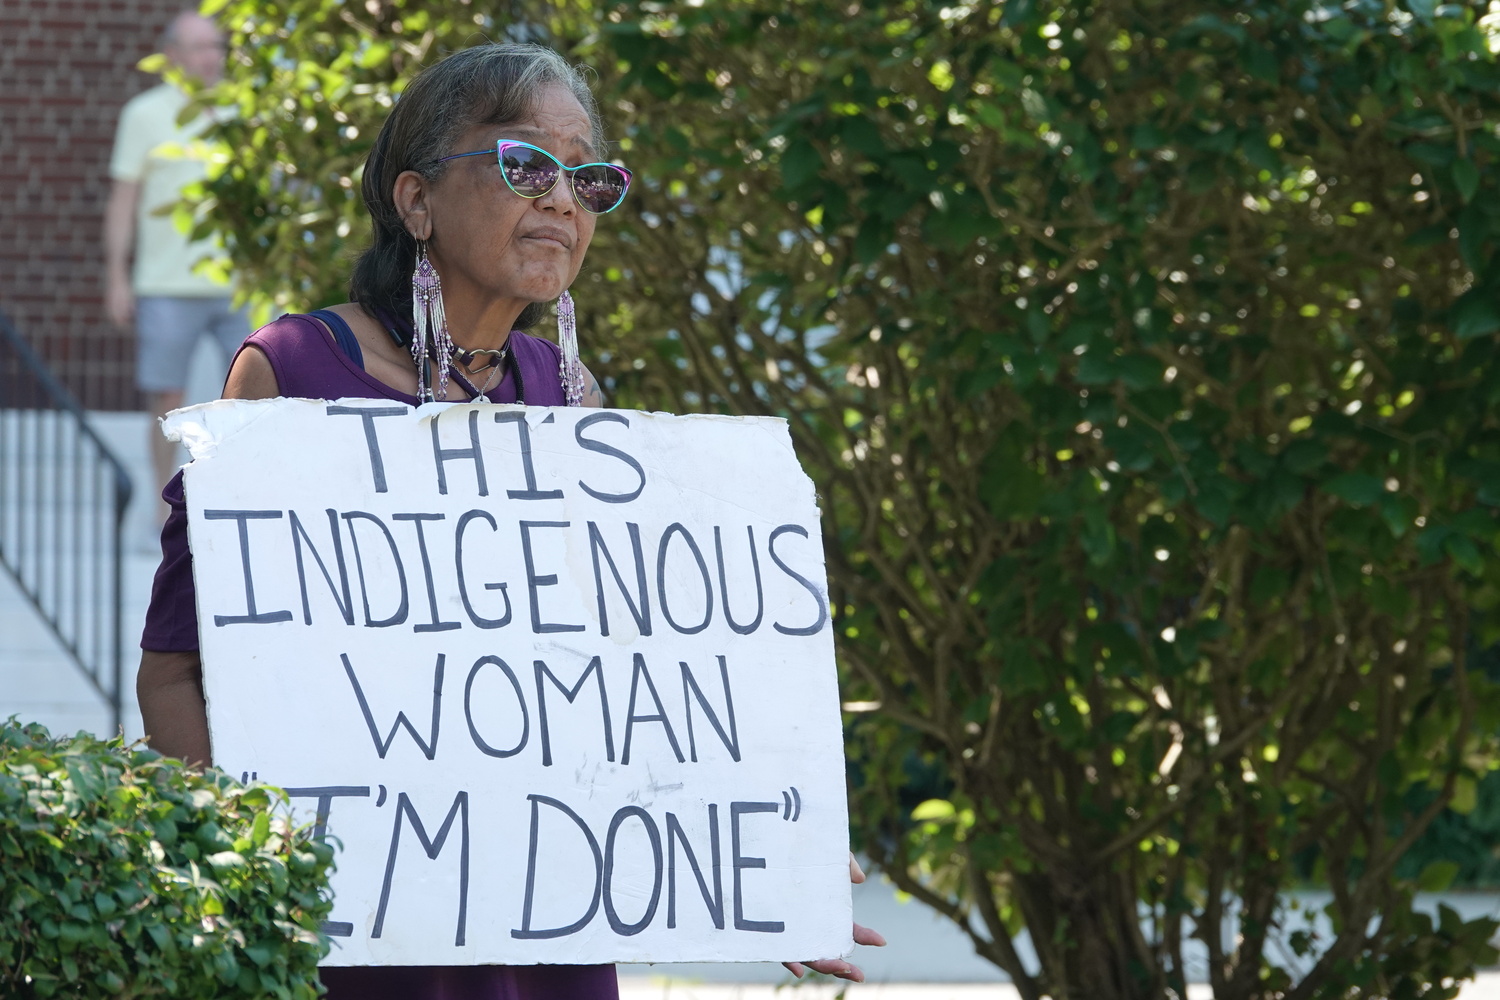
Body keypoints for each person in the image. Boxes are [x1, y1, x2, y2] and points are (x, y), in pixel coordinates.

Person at [134, 42, 883, 997]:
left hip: (545, 939)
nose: (563, 201)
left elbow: (627, 685)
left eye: (588, 179)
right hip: (352, 931)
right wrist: (251, 880)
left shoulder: (574, 405)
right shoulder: (291, 373)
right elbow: (174, 669)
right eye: (527, 165)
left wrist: (763, 871)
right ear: (416, 201)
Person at [105, 9, 247, 513]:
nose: (213, 57)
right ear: (172, 56)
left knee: (252, 397)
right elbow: (124, 200)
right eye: (201, 47)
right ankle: (164, 508)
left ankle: (236, 500)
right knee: (167, 403)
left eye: (218, 46)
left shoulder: (242, 112)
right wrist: (117, 276)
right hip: (165, 285)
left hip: (241, 284)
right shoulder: (144, 114)